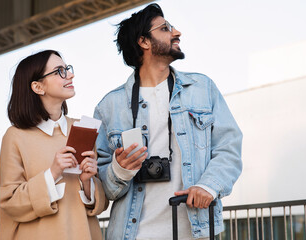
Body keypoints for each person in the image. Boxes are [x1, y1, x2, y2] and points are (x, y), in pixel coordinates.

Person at [93, 3, 242, 240]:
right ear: (144, 42)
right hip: (132, 234)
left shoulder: (202, 88)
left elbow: (229, 147)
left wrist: (209, 186)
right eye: (165, 28)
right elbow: (103, 187)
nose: (177, 32)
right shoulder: (109, 106)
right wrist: (119, 170)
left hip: (196, 231)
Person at [0, 50, 108, 240]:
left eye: (67, 69)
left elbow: (98, 204)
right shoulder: (15, 137)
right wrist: (53, 173)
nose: (70, 75)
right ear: (38, 87)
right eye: (59, 71)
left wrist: (87, 181)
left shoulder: (83, 128)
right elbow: (9, 202)